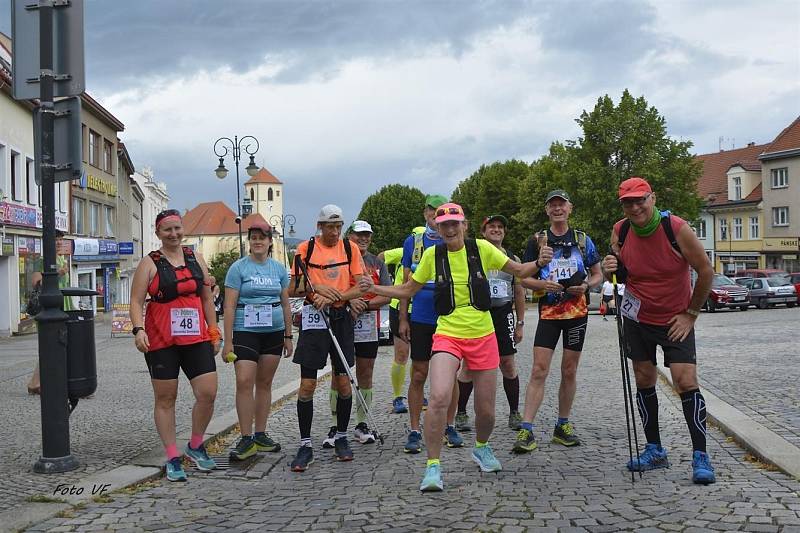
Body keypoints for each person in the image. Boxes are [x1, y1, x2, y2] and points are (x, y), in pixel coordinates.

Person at [362, 202, 542, 491]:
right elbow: (409, 289)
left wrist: (540, 262)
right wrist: (374, 288)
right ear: (437, 226)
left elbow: (519, 271)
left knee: (486, 412)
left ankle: (482, 447)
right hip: (447, 333)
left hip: (483, 335)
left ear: (464, 225)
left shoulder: (482, 249)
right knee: (439, 397)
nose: (449, 228)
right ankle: (433, 466)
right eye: (443, 224)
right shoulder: (433, 255)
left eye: (454, 223)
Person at [602, 176, 716, 484]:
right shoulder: (620, 230)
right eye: (628, 202)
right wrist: (609, 267)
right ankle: (654, 449)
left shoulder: (677, 229)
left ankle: (700, 455)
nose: (635, 206)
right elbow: (623, 272)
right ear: (623, 205)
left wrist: (691, 313)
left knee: (685, 380)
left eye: (641, 199)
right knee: (643, 377)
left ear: (652, 198)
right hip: (637, 316)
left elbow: (706, 271)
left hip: (674, 317)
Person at [129, 209, 222, 482]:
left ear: (183, 230)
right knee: (166, 398)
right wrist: (138, 330)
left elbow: (207, 298)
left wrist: (214, 330)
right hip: (161, 339)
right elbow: (135, 302)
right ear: (158, 233)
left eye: (177, 229)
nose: (174, 234)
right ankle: (172, 455)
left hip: (196, 337)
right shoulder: (150, 262)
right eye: (167, 230)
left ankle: (195, 445)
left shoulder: (196, 258)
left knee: (208, 392)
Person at [513, 189, 602, 453]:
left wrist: (586, 285)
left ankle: (562, 425)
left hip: (577, 314)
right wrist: (543, 284)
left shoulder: (583, 240)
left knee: (569, 370)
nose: (557, 209)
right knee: (539, 369)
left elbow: (598, 275)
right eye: (552, 205)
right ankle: (526, 429)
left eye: (561, 205)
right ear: (547, 210)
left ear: (569, 208)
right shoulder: (538, 240)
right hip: (549, 314)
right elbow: (523, 277)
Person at [288, 204, 365, 472]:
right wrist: (316, 288)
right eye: (329, 226)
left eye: (338, 226)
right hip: (313, 317)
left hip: (341, 316)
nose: (334, 231)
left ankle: (342, 437)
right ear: (319, 227)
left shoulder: (349, 248)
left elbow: (362, 285)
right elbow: (293, 288)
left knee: (343, 383)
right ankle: (305, 444)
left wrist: (337, 296)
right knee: (307, 384)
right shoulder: (304, 249)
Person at [222, 221, 293, 460]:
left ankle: (260, 434)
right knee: (244, 381)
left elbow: (285, 303)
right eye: (253, 238)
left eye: (262, 237)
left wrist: (288, 335)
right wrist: (227, 341)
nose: (258, 241)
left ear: (270, 241)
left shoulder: (279, 269)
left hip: (273, 331)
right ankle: (245, 438)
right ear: (249, 242)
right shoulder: (238, 268)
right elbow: (229, 306)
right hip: (245, 330)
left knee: (264, 384)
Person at [399, 195, 463, 453]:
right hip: (423, 314)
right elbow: (406, 285)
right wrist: (403, 318)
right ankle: (415, 430)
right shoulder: (413, 242)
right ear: (426, 214)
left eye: (441, 212)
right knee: (419, 372)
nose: (436, 217)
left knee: (453, 375)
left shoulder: (455, 240)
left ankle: (449, 425)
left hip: (450, 315)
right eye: (432, 212)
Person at [456, 215, 526, 431]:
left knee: (508, 363)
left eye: (500, 227)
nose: (496, 230)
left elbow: (519, 290)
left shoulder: (513, 258)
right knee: (468, 366)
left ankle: (514, 412)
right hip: (478, 315)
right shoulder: (473, 256)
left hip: (503, 313)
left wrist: (520, 323)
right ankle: (461, 413)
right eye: (491, 227)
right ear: (483, 232)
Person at [328, 220, 391, 445]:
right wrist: (348, 302)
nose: (364, 239)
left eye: (368, 235)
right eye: (359, 235)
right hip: (342, 322)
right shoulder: (339, 256)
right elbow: (333, 288)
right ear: (349, 236)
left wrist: (364, 304)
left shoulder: (377, 262)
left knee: (366, 372)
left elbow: (387, 295)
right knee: (339, 373)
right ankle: (336, 425)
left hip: (368, 325)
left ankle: (361, 422)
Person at [379, 225, 424, 414]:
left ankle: (417, 392)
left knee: (420, 356)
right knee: (402, 354)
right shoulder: (403, 250)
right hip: (399, 307)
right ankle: (398, 396)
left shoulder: (433, 252)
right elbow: (380, 257)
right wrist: (384, 281)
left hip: (422, 308)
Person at [27, 231, 72, 395]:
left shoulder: (62, 259)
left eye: (61, 240)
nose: (59, 243)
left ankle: (41, 382)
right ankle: (36, 382)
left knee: (59, 345)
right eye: (56, 240)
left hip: (61, 308)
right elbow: (36, 282)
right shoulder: (43, 260)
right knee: (49, 345)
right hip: (48, 310)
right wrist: (58, 273)